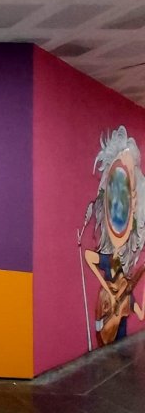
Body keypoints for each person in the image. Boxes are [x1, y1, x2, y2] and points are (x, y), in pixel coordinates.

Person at [81, 126, 145, 345]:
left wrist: (139, 302)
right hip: (109, 310)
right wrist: (108, 288)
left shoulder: (122, 269)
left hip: (121, 313)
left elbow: (136, 305)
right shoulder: (109, 261)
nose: (119, 206)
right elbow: (89, 257)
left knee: (121, 344)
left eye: (126, 194)